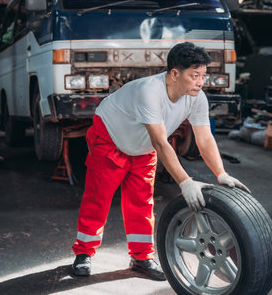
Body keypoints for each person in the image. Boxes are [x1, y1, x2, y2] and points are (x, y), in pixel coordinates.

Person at [71, 42, 250, 280]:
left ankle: (142, 257)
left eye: (203, 76)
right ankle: (84, 253)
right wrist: (185, 182)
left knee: (142, 201)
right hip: (110, 137)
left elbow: (204, 139)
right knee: (99, 197)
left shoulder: (197, 97)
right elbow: (160, 142)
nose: (200, 82)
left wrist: (221, 174)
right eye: (194, 75)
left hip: (142, 146)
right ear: (174, 74)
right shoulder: (150, 91)